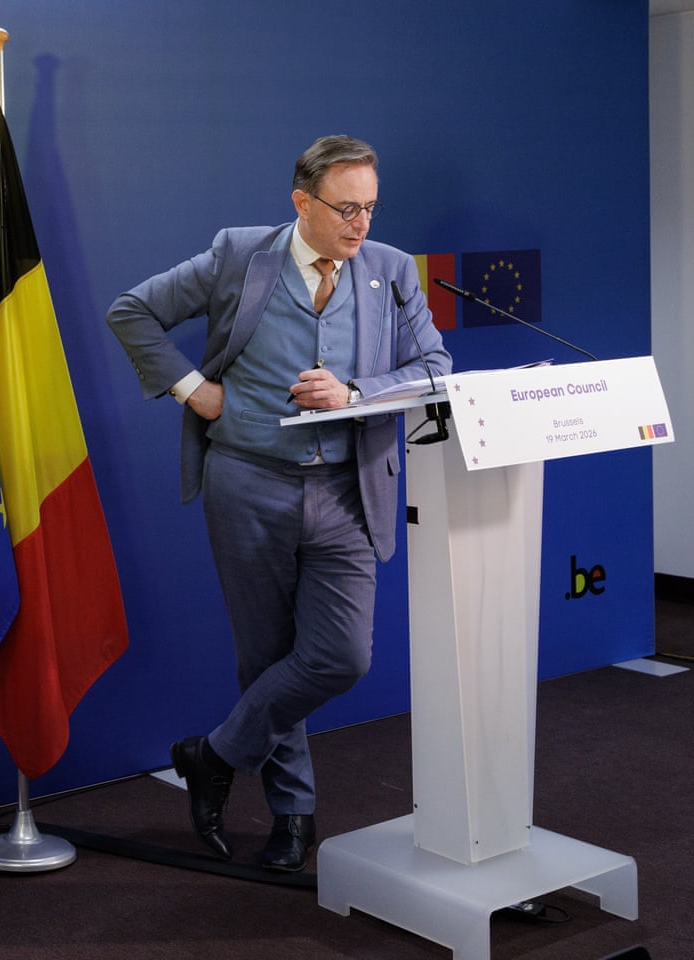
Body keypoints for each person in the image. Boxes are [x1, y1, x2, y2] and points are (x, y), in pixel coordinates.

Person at [105, 135, 451, 872]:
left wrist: (357, 392)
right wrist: (193, 390)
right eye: (346, 208)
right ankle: (294, 815)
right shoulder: (240, 256)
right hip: (247, 483)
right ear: (303, 203)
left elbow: (433, 369)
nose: (361, 225)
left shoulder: (389, 272)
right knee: (265, 657)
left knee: (341, 657)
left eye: (371, 208)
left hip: (347, 491)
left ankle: (214, 753)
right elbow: (131, 310)